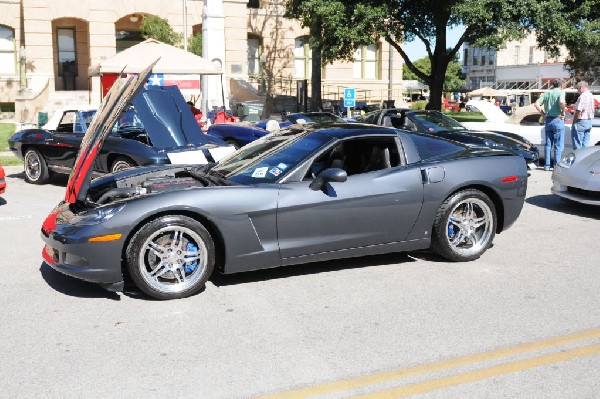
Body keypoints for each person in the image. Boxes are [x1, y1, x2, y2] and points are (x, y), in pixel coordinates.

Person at [534, 79, 566, 171]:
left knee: (548, 144)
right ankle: (556, 166)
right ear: (561, 85)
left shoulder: (546, 93)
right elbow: (561, 102)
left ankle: (547, 165)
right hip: (558, 119)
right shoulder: (561, 92)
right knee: (558, 145)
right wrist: (563, 111)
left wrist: (543, 114)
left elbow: (536, 104)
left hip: (548, 120)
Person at [571, 81, 595, 150]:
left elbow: (579, 111)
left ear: (581, 87)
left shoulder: (582, 96)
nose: (577, 91)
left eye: (577, 89)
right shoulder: (591, 95)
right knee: (585, 146)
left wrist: (574, 122)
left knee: (577, 145)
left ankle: (578, 160)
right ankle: (584, 160)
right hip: (589, 121)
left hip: (581, 121)